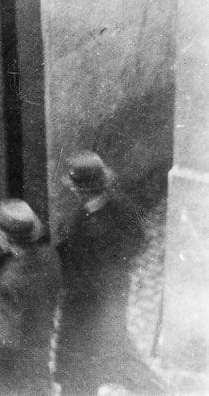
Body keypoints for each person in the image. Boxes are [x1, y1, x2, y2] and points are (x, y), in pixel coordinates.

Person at [54, 151, 164, 395]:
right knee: (109, 353)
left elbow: (89, 271)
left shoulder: (93, 224)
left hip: (90, 306)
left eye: (74, 187)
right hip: (109, 299)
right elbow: (138, 239)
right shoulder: (118, 206)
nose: (72, 191)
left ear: (81, 190)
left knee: (88, 361)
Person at [0, 199, 61, 396]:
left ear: (6, 239)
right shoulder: (51, 258)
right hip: (40, 355)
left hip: (14, 370)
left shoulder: (9, 282)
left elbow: (5, 340)